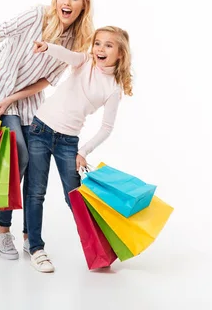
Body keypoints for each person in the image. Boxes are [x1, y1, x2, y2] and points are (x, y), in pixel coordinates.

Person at [0, 0, 94, 260]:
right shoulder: (36, 14)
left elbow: (45, 81)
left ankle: (30, 236)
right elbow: (0, 32)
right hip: (1, 82)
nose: (66, 3)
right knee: (17, 152)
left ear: (83, 5)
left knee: (34, 160)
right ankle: (2, 229)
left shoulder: (75, 42)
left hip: (27, 98)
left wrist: (14, 99)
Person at [25, 26, 134, 272]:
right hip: (41, 129)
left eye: (108, 45)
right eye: (98, 43)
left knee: (74, 198)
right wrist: (47, 47)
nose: (100, 49)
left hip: (68, 143)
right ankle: (35, 248)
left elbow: (107, 128)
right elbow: (67, 55)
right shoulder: (84, 61)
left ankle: (99, 249)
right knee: (35, 192)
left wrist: (83, 151)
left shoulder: (113, 88)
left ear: (120, 54)